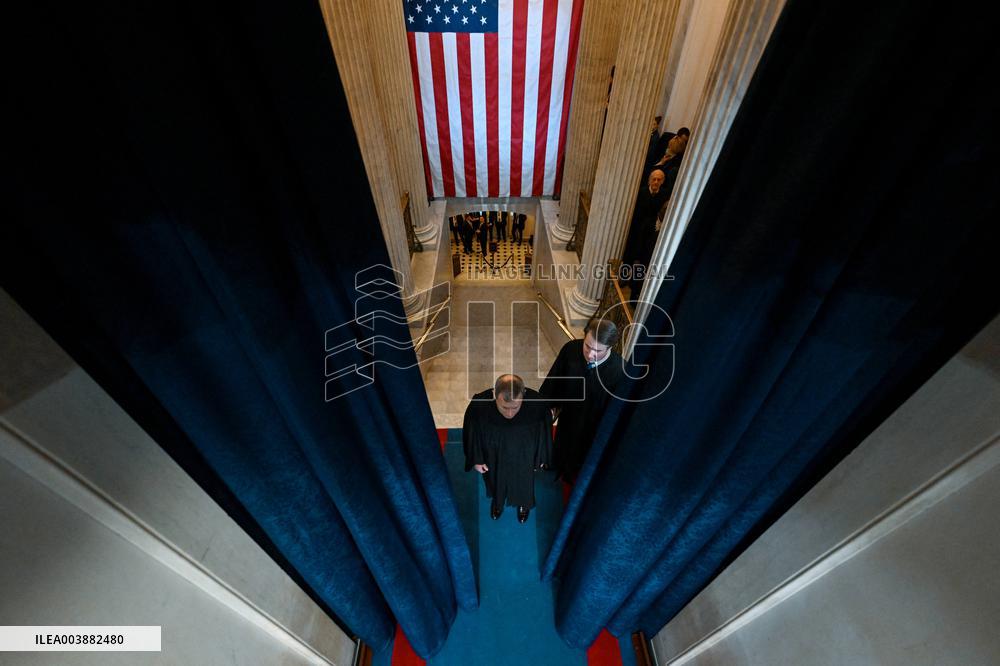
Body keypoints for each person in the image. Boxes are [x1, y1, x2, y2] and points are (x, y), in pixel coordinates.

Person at [540, 318, 625, 484]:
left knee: (579, 463)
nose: (590, 354)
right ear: (584, 336)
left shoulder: (619, 372)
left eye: (597, 350)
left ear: (610, 347)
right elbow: (555, 380)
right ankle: (555, 465)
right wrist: (547, 406)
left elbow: (615, 413)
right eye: (587, 346)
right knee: (560, 447)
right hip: (568, 417)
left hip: (592, 429)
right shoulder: (571, 349)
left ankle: (571, 477)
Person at [463, 374, 552, 523]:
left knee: (524, 481)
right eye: (504, 407)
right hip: (493, 455)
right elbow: (472, 433)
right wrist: (476, 459)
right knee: (495, 480)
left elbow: (545, 432)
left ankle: (524, 504)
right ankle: (498, 503)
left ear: (523, 396)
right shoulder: (479, 404)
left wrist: (541, 457)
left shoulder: (538, 403)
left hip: (525, 455)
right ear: (494, 395)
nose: (510, 413)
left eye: (515, 407)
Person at [621, 169, 671, 293]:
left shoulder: (664, 195)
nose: (656, 182)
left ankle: (634, 285)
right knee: (629, 255)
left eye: (659, 180)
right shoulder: (641, 192)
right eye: (654, 179)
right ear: (649, 180)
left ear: (662, 181)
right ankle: (623, 278)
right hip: (636, 230)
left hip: (650, 234)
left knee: (643, 259)